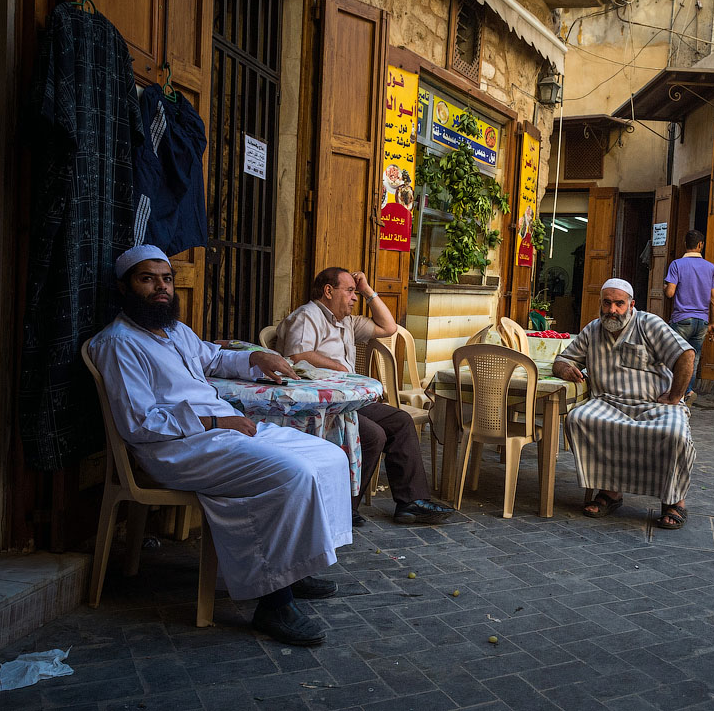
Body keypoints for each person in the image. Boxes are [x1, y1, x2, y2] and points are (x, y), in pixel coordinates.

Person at [88, 245, 350, 647]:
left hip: (222, 431)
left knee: (329, 456)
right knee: (290, 473)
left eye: (166, 279)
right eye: (147, 279)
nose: (161, 287)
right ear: (124, 288)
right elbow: (139, 423)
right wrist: (214, 420)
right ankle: (273, 602)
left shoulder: (173, 330)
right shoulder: (119, 344)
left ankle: (295, 568)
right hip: (177, 447)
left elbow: (211, 357)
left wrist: (256, 358)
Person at [276, 267, 453, 526]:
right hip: (321, 406)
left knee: (400, 420)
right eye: (349, 291)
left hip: (349, 401)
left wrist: (368, 290)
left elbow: (389, 327)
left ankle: (410, 503)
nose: (354, 297)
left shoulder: (347, 322)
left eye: (355, 292)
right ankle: (343, 507)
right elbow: (296, 356)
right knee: (373, 434)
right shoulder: (307, 316)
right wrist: (337, 367)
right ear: (328, 291)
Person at [552, 278, 697, 530]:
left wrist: (675, 396)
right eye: (607, 303)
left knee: (674, 433)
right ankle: (610, 491)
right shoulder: (593, 330)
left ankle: (675, 500)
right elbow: (562, 359)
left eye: (619, 304)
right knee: (579, 419)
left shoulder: (648, 324)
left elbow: (686, 354)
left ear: (631, 305)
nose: (612, 310)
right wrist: (566, 368)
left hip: (655, 404)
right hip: (608, 402)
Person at [664, 230, 714, 404]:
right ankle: (687, 392)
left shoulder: (677, 264)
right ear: (700, 245)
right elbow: (713, 298)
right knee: (693, 359)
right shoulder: (710, 267)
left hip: (682, 319)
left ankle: (673, 394)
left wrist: (665, 286)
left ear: (684, 244)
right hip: (702, 321)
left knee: (674, 357)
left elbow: (670, 293)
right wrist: (713, 322)